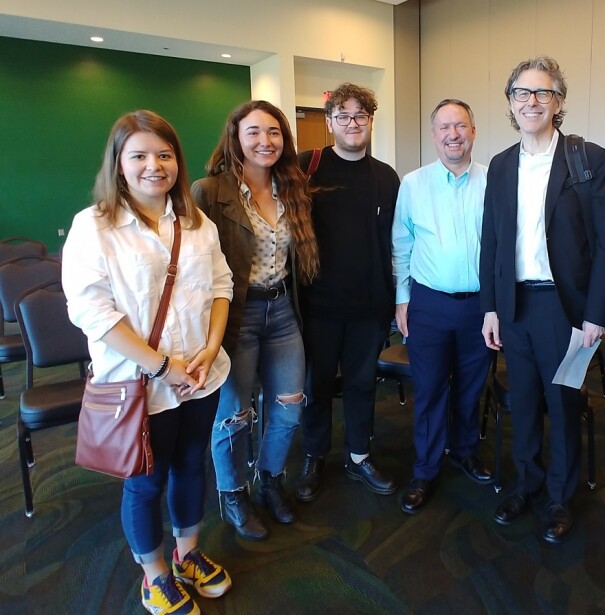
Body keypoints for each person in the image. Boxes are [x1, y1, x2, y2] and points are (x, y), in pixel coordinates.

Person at [63, 110, 233, 615]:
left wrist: (208, 348)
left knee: (190, 466)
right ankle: (154, 573)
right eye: (138, 155)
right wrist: (162, 367)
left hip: (201, 375)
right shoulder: (94, 227)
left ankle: (188, 554)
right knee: (145, 481)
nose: (153, 166)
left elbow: (222, 287)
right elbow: (90, 311)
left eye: (164, 154)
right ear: (118, 164)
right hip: (142, 383)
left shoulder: (196, 223)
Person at [480, 56, 605, 543]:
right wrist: (491, 308)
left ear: (558, 102)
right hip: (514, 306)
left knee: (563, 404)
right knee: (522, 400)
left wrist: (597, 315)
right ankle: (528, 482)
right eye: (522, 93)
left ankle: (560, 497)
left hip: (566, 309)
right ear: (511, 103)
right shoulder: (500, 165)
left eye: (543, 93)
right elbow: (491, 243)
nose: (532, 101)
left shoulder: (587, 159)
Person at [192, 100, 319, 541]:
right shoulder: (208, 191)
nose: (265, 141)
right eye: (254, 132)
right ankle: (233, 493)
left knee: (289, 405)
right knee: (234, 414)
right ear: (235, 138)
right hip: (236, 316)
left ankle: (270, 479)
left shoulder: (292, 186)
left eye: (274, 133)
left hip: (283, 311)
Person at [295, 82, 400, 501]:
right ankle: (315, 454)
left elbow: (395, 243)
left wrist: (393, 304)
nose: (353, 124)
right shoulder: (307, 167)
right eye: (344, 116)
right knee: (316, 384)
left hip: (367, 307)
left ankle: (358, 456)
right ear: (330, 121)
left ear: (371, 121)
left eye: (361, 116)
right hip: (317, 305)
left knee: (361, 384)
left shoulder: (386, 177)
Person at [392, 99, 494, 515]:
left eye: (461, 126)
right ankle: (426, 469)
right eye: (444, 127)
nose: (453, 134)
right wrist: (402, 299)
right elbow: (402, 245)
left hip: (481, 307)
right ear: (433, 135)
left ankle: (465, 451)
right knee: (431, 387)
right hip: (429, 303)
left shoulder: (495, 180)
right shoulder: (413, 184)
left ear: (473, 131)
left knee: (471, 386)